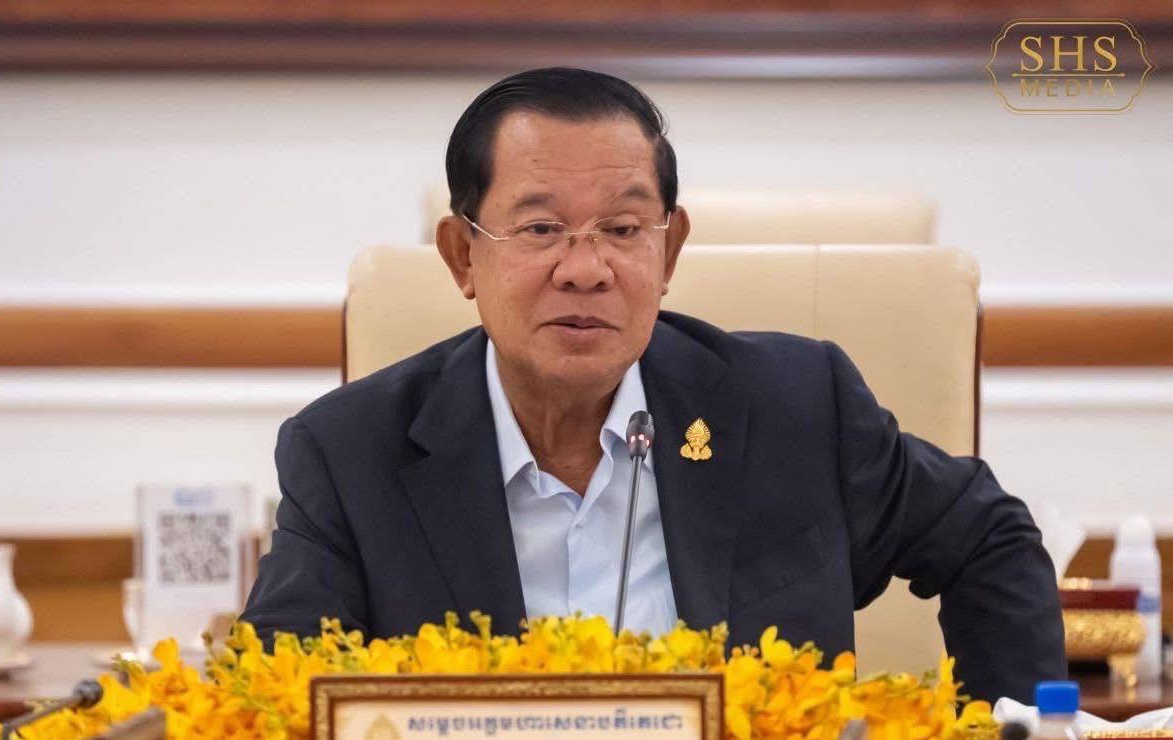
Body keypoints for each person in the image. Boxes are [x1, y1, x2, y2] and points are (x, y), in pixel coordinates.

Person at [241, 67, 1065, 702]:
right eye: (542, 228)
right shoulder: (350, 454)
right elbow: (274, 698)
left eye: (624, 229)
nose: (586, 269)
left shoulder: (796, 409)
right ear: (462, 256)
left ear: (668, 253)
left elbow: (988, 537)